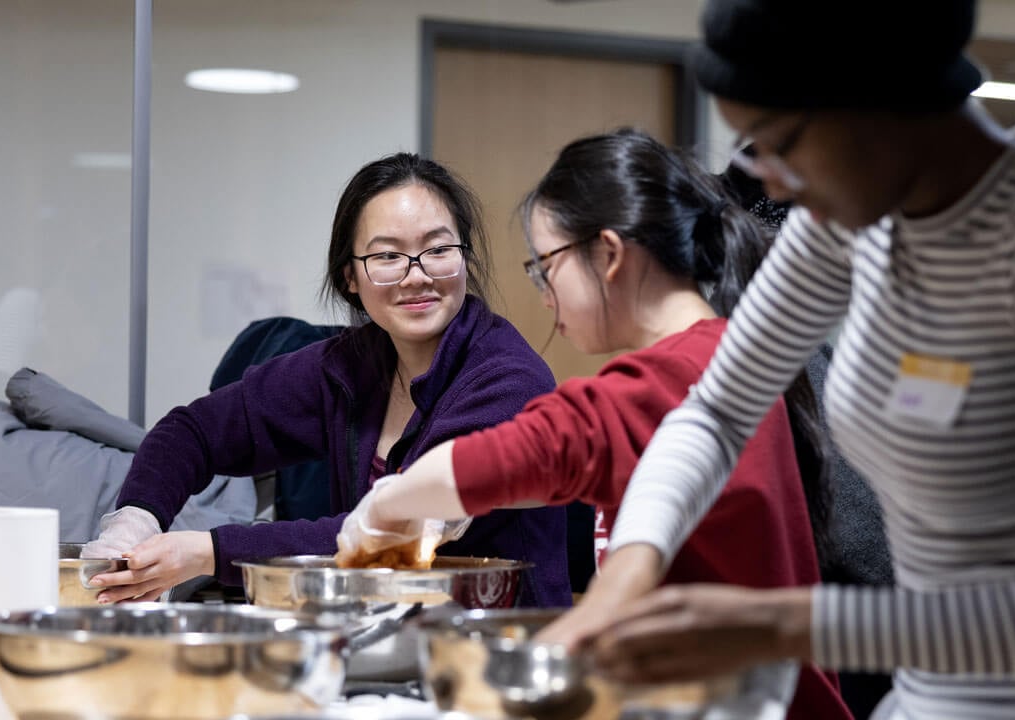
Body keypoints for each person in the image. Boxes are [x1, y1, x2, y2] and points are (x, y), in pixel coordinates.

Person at [552, 1, 1015, 718]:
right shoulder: (854, 216)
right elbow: (716, 409)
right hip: (925, 699)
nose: (766, 180)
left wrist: (784, 624)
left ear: (882, 99)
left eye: (776, 142)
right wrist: (632, 566)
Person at [336, 129, 852, 720]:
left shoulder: (685, 372)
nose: (546, 295)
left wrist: (386, 503)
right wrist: (441, 507)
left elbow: (542, 447)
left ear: (608, 255)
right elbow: (574, 465)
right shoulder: (723, 357)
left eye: (545, 267)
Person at [82, 152, 570, 608]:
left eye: (438, 249)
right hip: (378, 645)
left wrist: (208, 551)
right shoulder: (349, 365)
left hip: (496, 654)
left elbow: (394, 532)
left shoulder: (507, 380)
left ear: (465, 257)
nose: (416, 275)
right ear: (350, 278)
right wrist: (135, 521)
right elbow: (193, 431)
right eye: (387, 256)